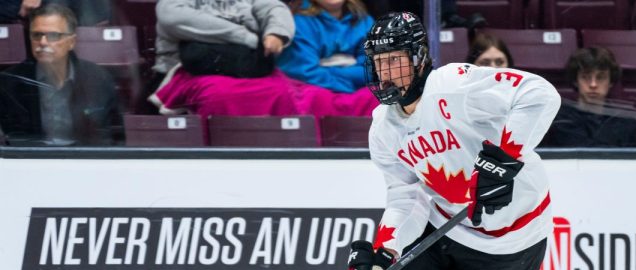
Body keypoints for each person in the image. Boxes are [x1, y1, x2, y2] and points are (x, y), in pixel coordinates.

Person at [321, 11, 560, 270]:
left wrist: (505, 159)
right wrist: (385, 253)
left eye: (395, 59)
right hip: (443, 232)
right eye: (379, 62)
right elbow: (405, 195)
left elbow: (539, 94)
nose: (386, 72)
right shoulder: (384, 127)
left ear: (417, 59)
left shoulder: (456, 85)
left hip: (507, 248)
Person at [0, 4, 122, 145]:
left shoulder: (98, 79)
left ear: (71, 42)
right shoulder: (10, 83)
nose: (43, 42)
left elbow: (114, 138)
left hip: (85, 161)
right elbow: (11, 141)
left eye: (53, 36)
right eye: (36, 35)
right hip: (32, 161)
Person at [546, 46, 636, 147]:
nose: (593, 84)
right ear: (576, 81)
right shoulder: (560, 120)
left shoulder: (626, 121)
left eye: (600, 77)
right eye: (585, 77)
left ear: (611, 82)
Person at [153, 0, 295, 79]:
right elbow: (172, 17)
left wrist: (277, 33)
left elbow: (274, 8)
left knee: (296, 96)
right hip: (185, 72)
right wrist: (244, 37)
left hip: (246, 67)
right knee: (223, 97)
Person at [276, 0, 374, 93]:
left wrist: (329, 69)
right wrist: (350, 88)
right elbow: (306, 72)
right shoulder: (298, 21)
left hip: (351, 90)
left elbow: (373, 69)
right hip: (312, 92)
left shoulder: (364, 20)